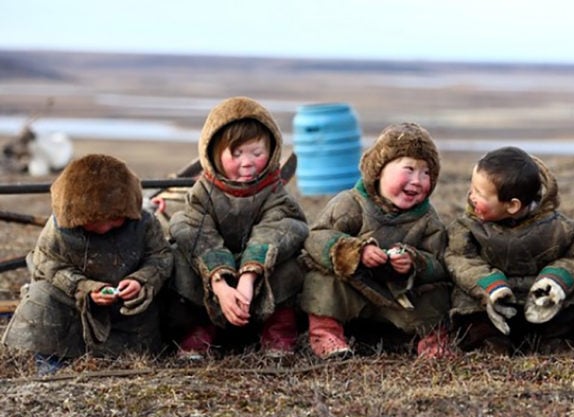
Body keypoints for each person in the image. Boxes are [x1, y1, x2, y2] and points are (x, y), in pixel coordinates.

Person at [1, 154, 173, 374]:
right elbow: (48, 263)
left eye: (114, 220)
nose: (103, 228)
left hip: (128, 307)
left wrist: (141, 280)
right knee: (42, 294)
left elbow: (161, 256)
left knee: (167, 294)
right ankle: (51, 360)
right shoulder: (58, 228)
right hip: (74, 305)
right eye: (93, 222)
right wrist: (86, 288)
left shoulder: (144, 223)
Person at [167, 96, 308, 358]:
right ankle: (199, 329)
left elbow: (277, 230)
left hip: (257, 278)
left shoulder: (275, 192)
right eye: (236, 153)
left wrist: (248, 276)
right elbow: (196, 233)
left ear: (273, 150)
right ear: (214, 155)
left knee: (291, 262)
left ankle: (278, 330)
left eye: (257, 153)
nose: (248, 162)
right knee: (179, 257)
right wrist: (219, 284)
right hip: (217, 278)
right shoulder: (202, 193)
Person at [300, 122, 452, 359]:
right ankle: (326, 335)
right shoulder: (350, 203)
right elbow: (316, 238)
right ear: (379, 170)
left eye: (426, 173)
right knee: (321, 278)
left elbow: (440, 262)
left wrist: (415, 261)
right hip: (353, 289)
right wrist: (355, 252)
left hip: (397, 295)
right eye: (409, 169)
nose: (417, 180)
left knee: (438, 295)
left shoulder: (427, 218)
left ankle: (432, 343)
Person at [445, 147, 574, 355]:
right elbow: (459, 258)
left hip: (542, 305)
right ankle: (489, 343)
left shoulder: (562, 230)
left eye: (479, 193)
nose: (470, 196)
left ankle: (558, 340)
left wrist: (556, 280)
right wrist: (487, 285)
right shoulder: (467, 227)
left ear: (512, 206)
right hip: (493, 304)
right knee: (466, 301)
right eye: (471, 188)